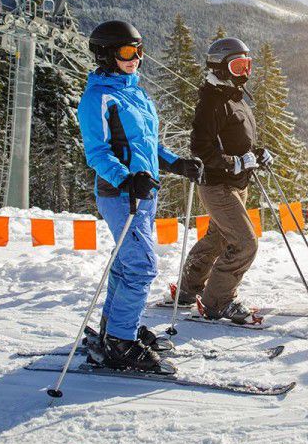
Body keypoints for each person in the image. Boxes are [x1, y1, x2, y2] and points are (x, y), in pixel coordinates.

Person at [77, 20, 203, 373]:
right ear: (105, 54)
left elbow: (147, 146)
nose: (136, 59)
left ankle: (115, 329)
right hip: (119, 195)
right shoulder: (98, 97)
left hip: (143, 194)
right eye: (127, 52)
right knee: (141, 264)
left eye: (139, 51)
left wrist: (176, 163)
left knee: (126, 263)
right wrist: (126, 179)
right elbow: (98, 153)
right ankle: (120, 342)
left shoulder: (136, 92)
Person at [176, 37, 273, 324]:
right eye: (237, 65)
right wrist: (236, 163)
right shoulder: (211, 102)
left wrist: (257, 153)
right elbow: (202, 149)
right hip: (217, 184)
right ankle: (217, 302)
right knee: (245, 243)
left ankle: (187, 289)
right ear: (220, 67)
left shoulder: (234, 96)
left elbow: (235, 140)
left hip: (235, 182)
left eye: (247, 65)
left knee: (218, 238)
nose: (244, 72)